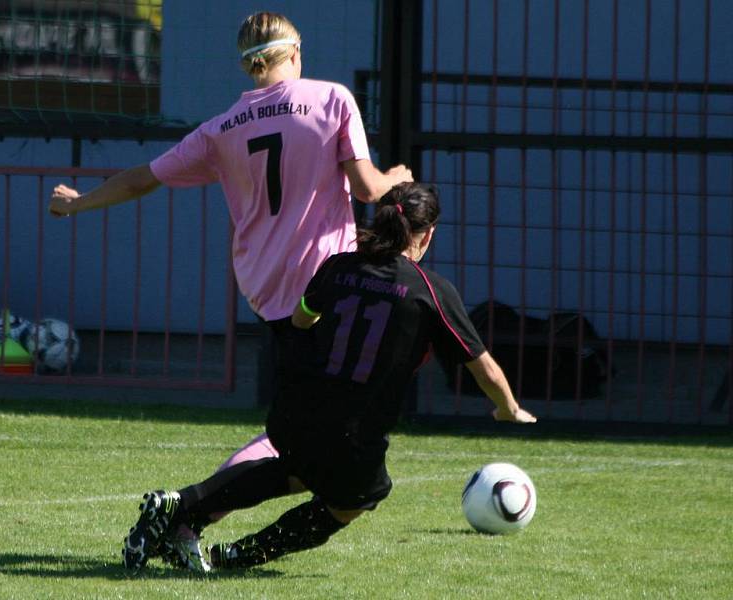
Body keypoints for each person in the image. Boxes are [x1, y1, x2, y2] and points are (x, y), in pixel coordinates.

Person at [48, 11, 413, 565]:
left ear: (247, 62)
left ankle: (186, 516)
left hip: (266, 289)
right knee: (311, 439)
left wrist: (79, 204)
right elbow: (367, 187)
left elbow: (143, 177)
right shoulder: (332, 98)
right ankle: (184, 513)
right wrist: (397, 178)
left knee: (306, 429)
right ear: (296, 52)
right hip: (327, 288)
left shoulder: (222, 128)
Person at [121, 182, 537, 574]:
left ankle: (178, 505)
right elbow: (482, 365)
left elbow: (302, 317)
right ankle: (237, 554)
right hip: (352, 428)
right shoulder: (431, 291)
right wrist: (509, 408)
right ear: (427, 235)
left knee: (300, 470)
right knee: (358, 497)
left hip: (294, 407)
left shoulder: (338, 267)